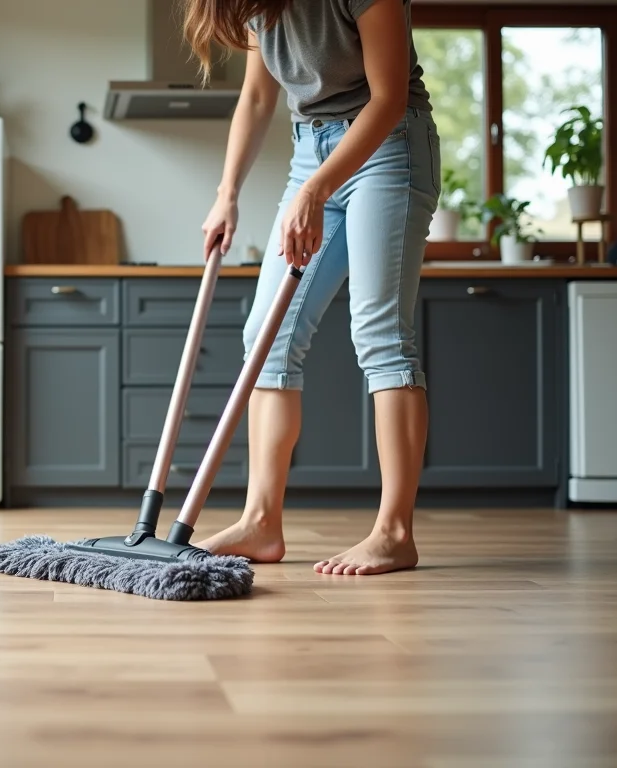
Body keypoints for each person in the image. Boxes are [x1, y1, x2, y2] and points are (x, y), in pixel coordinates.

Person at [181, 0, 440, 575]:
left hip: (389, 144)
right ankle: (261, 521)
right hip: (310, 149)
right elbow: (255, 96)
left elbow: (389, 97)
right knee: (267, 336)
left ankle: (395, 533)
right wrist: (227, 193)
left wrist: (317, 191)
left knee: (380, 335)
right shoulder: (255, 6)